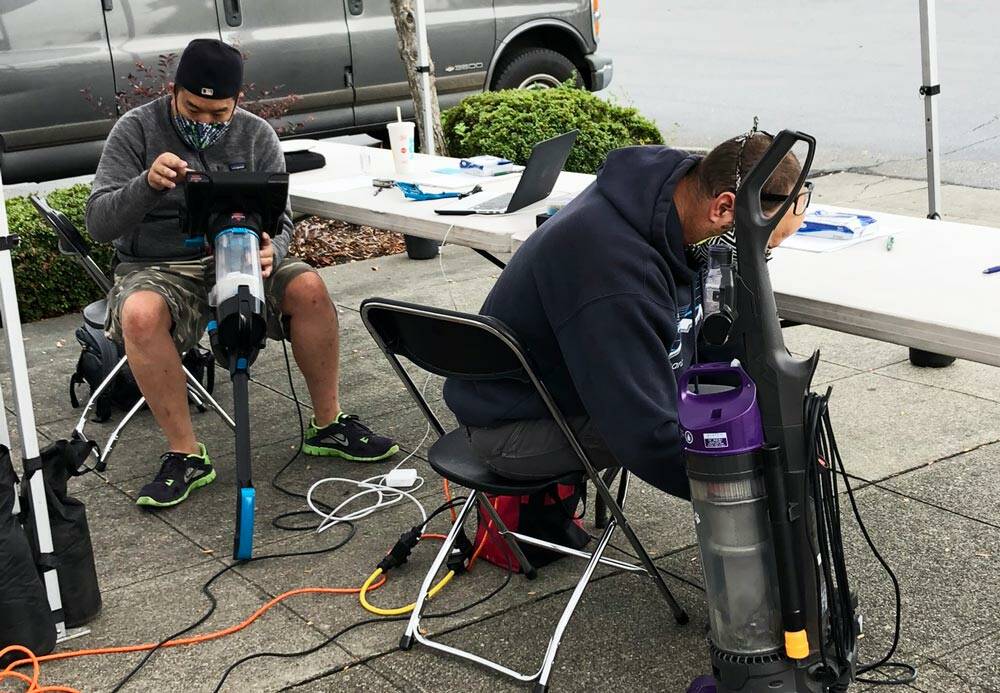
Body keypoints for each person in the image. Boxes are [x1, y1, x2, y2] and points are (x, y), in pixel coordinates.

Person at [86, 39, 398, 509]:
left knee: (309, 287)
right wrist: (146, 185)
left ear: (237, 103)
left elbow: (284, 220)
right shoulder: (135, 130)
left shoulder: (255, 136)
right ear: (174, 91)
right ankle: (186, 454)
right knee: (139, 314)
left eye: (219, 114)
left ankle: (329, 424)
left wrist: (276, 248)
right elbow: (98, 223)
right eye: (193, 109)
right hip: (160, 265)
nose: (205, 122)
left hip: (245, 250)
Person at [443, 132, 809, 497]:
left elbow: (705, 345)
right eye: (760, 244)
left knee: (736, 417)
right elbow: (643, 433)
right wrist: (750, 489)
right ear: (724, 208)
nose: (755, 257)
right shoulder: (614, 273)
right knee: (723, 442)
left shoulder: (668, 198)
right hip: (509, 429)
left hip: (566, 393)